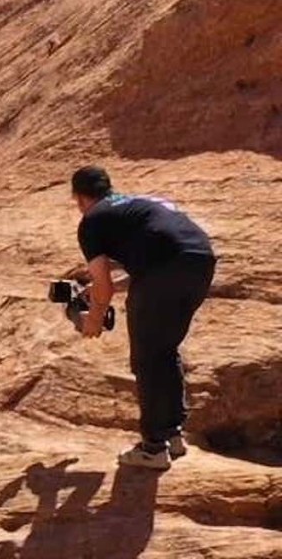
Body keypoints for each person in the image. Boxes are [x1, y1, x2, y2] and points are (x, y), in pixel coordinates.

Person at [71, 165, 216, 471]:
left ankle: (153, 448)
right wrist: (95, 292)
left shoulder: (91, 221)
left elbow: (105, 285)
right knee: (163, 349)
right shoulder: (138, 205)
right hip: (200, 261)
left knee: (148, 358)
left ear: (79, 198)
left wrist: (94, 318)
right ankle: (174, 435)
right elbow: (150, 265)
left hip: (166, 268)